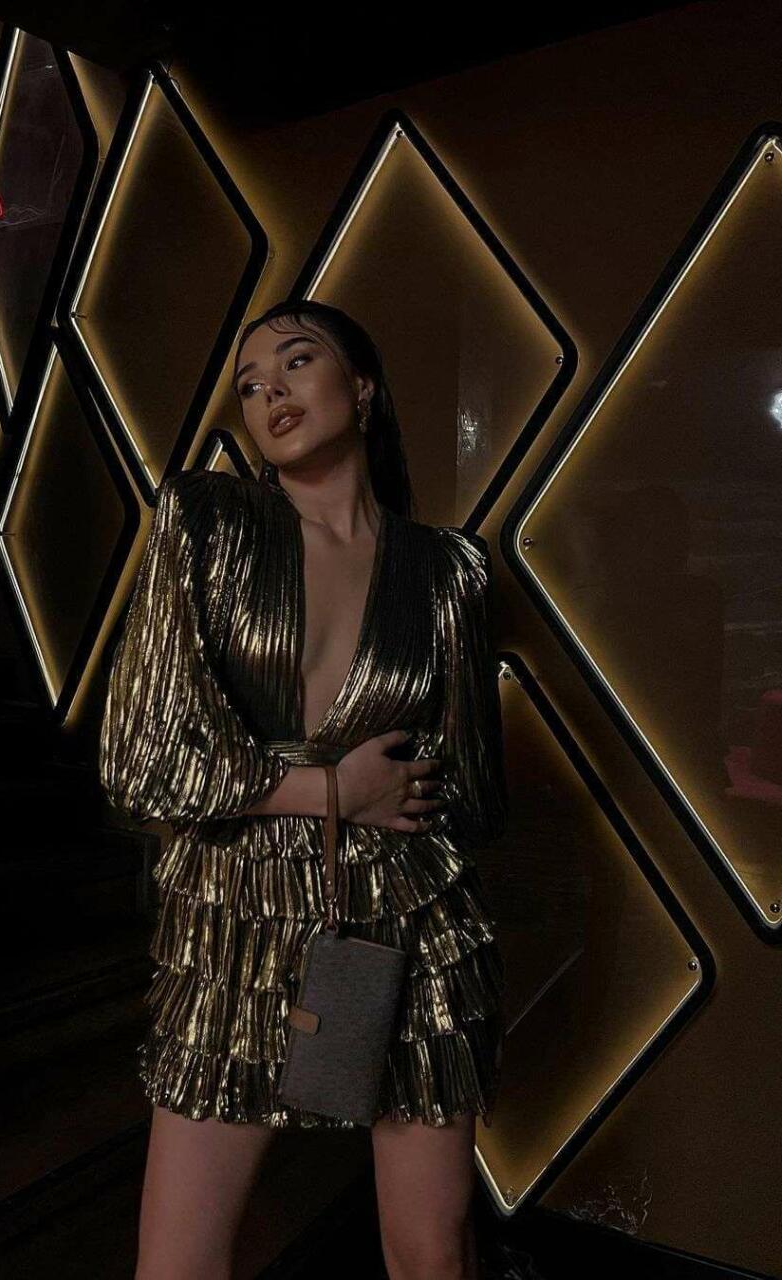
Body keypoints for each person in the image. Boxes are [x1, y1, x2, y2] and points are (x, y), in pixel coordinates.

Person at [99, 299, 508, 1280]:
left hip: (411, 922)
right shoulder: (207, 521)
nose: (268, 391)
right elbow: (141, 756)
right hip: (234, 924)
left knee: (432, 1255)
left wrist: (405, 799)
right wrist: (332, 788)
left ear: (360, 388)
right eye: (248, 384)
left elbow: (474, 790)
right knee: (179, 1264)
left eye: (294, 361)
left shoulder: (446, 570)